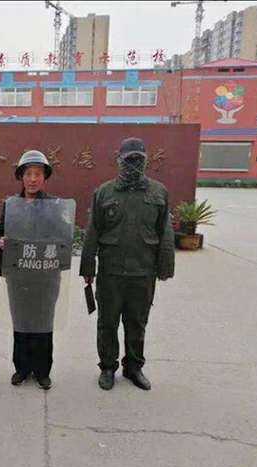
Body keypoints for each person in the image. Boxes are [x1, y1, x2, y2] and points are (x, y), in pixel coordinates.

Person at [80, 137, 175, 391]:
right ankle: (107, 367)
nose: (133, 164)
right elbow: (93, 231)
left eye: (138, 159)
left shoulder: (158, 192)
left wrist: (165, 267)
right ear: (119, 160)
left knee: (137, 323)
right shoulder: (104, 193)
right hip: (111, 272)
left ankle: (134, 367)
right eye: (128, 159)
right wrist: (88, 268)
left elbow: (165, 231)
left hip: (143, 272)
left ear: (146, 161)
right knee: (107, 322)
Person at [0, 150, 70, 390]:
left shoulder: (54, 206)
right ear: (21, 177)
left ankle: (42, 370)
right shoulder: (11, 205)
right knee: (21, 321)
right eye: (28, 174)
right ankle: (22, 368)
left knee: (43, 322)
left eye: (37, 174)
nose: (33, 179)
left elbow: (64, 237)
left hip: (45, 274)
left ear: (44, 177)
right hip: (18, 274)